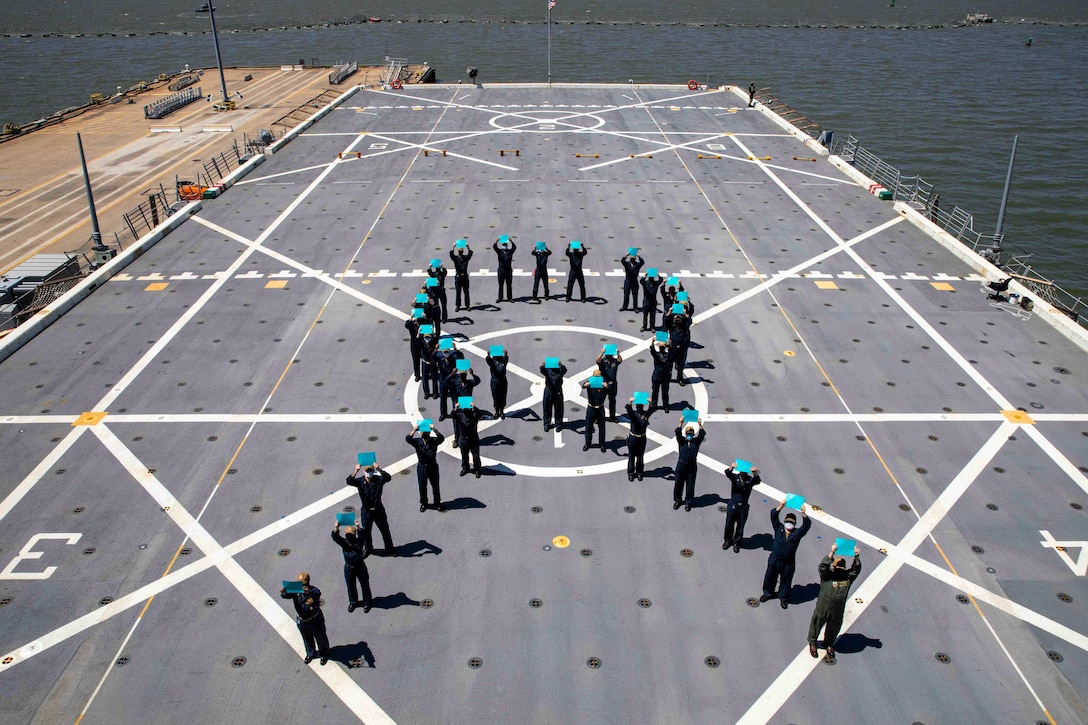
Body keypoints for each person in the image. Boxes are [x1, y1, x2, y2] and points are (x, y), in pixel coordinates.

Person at [808, 543, 862, 663]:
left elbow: (856, 570)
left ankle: (828, 644)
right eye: (837, 568)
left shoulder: (847, 577)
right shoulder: (827, 576)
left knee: (834, 626)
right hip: (824, 605)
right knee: (817, 622)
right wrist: (831, 553)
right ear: (833, 567)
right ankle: (812, 643)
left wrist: (856, 556)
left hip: (838, 607)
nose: (839, 571)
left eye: (841, 569)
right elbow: (822, 567)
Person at [760, 501, 812, 609]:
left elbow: (806, 526)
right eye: (788, 521)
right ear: (784, 521)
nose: (789, 523)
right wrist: (781, 506)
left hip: (788, 562)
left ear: (794, 524)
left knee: (786, 580)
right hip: (775, 559)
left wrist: (803, 514)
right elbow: (773, 515)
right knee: (770, 577)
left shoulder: (796, 534)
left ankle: (783, 597)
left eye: (792, 522)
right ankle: (768, 593)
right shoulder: (779, 529)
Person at [345, 460, 395, 556]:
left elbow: (388, 478)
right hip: (367, 511)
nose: (369, 473)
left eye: (371, 471)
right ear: (363, 472)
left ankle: (390, 548)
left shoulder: (378, 479)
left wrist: (379, 469)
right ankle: (368, 548)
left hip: (378, 509)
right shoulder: (360, 482)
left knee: (385, 530)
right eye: (367, 471)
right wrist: (355, 471)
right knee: (366, 531)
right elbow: (349, 481)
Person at [280, 572, 330, 665]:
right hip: (303, 621)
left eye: (303, 584)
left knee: (320, 637)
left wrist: (308, 593)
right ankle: (311, 653)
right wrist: (283, 592)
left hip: (315, 619)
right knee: (307, 638)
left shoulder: (313, 591)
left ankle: (324, 653)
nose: (302, 587)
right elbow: (286, 595)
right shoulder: (296, 591)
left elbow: (317, 593)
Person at [331, 522, 373, 613]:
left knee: (364, 584)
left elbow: (363, 535)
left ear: (354, 535)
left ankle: (367, 602)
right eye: (347, 535)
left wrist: (358, 527)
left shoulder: (359, 542)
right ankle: (353, 602)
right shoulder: (345, 543)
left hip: (360, 567)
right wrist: (336, 528)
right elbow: (335, 537)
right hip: (349, 568)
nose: (349, 537)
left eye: (351, 535)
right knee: (350, 585)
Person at [722, 462, 760, 552]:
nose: (743, 475)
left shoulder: (750, 480)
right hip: (733, 505)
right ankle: (727, 540)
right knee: (729, 524)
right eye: (742, 473)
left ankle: (737, 542)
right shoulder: (735, 478)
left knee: (740, 526)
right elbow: (727, 473)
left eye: (744, 473)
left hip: (743, 507)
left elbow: (757, 480)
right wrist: (731, 467)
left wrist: (755, 472)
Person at [406, 425, 445, 512]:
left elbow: (441, 438)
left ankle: (437, 503)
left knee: (435, 486)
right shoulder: (417, 442)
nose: (425, 434)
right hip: (422, 467)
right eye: (423, 432)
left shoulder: (433, 441)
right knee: (422, 486)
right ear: (420, 433)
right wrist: (414, 430)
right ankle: (424, 503)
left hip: (432, 467)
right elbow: (408, 439)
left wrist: (435, 429)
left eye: (426, 432)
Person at [672, 417, 705, 511]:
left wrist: (699, 424)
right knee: (678, 484)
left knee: (690, 485)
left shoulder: (696, 442)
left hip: (691, 467)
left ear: (693, 434)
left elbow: (702, 435)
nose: (689, 435)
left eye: (691, 433)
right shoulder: (682, 441)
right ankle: (678, 500)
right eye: (688, 433)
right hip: (681, 466)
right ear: (685, 434)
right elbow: (677, 432)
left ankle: (688, 502)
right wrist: (680, 423)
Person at [455, 401, 487, 477]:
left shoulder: (474, 416)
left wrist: (474, 407)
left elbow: (479, 414)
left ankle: (477, 469)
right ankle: (465, 468)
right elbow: (453, 415)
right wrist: (456, 408)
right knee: (464, 455)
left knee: (475, 456)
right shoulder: (460, 416)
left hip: (473, 438)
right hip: (463, 439)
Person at [625, 397, 653, 481]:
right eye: (638, 407)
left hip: (642, 438)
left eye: (640, 407)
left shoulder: (645, 415)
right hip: (633, 437)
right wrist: (630, 402)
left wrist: (650, 403)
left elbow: (651, 410)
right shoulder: (633, 414)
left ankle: (639, 472)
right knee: (631, 456)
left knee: (640, 457)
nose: (639, 408)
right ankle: (631, 473)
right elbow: (628, 410)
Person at [581, 372, 609, 452]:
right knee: (588, 426)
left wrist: (606, 386)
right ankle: (588, 443)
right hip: (591, 408)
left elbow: (609, 386)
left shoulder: (604, 383)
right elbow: (584, 385)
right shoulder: (591, 383)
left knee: (602, 427)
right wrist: (587, 384)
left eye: (598, 377)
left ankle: (602, 444)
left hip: (600, 408)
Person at [665, 303, 692, 386]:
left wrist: (685, 314)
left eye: (679, 319)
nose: (677, 321)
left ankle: (680, 378)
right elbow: (665, 322)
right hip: (673, 347)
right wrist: (669, 312)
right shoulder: (672, 326)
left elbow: (689, 321)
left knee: (681, 365)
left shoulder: (684, 327)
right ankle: (667, 377)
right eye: (676, 319)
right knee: (669, 364)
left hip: (682, 348)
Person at [596, 347, 623, 421]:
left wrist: (618, 353)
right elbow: (597, 360)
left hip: (613, 384)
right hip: (604, 384)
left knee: (612, 400)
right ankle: (598, 417)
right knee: (600, 401)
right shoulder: (602, 361)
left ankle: (612, 416)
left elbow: (620, 360)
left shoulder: (614, 361)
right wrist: (601, 352)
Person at [540, 359, 567, 431]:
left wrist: (561, 365)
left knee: (559, 409)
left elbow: (565, 370)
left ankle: (559, 424)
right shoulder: (548, 369)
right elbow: (542, 371)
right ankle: (546, 424)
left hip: (557, 391)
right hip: (549, 390)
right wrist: (543, 365)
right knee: (546, 408)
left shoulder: (560, 370)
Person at [449, 242, 473, 311]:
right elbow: (451, 255)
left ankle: (467, 305)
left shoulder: (465, 258)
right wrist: (453, 247)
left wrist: (468, 247)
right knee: (458, 292)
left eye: (461, 251)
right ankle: (458, 305)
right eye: (459, 251)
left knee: (466, 292)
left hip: (464, 277)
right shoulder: (456, 259)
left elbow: (470, 254)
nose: (460, 253)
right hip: (458, 277)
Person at [486, 349, 509, 419]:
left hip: (503, 382)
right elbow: (488, 361)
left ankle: (502, 411)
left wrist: (505, 354)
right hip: (494, 382)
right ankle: (496, 411)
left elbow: (506, 359)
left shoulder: (503, 361)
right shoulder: (492, 362)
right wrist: (488, 355)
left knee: (503, 397)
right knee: (495, 397)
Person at [650, 339, 672, 411]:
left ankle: (665, 405)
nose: (661, 348)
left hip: (665, 376)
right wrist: (652, 343)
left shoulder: (668, 355)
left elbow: (673, 353)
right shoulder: (657, 355)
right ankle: (654, 405)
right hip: (657, 375)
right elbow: (652, 351)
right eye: (660, 347)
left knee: (665, 392)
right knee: (655, 391)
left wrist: (671, 345)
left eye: (663, 347)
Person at [493, 236, 516, 302]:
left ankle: (510, 297)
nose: (504, 246)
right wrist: (496, 241)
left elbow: (514, 248)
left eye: (505, 245)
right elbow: (495, 247)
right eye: (503, 245)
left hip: (508, 270)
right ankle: (500, 297)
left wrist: (511, 241)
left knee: (509, 284)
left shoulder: (510, 252)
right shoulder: (499, 251)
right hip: (501, 269)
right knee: (500, 284)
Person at [404, 313, 424, 382]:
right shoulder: (412, 325)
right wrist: (411, 318)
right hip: (415, 344)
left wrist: (425, 316)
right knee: (415, 360)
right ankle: (417, 375)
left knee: (426, 358)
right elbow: (406, 325)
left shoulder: (424, 323)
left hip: (423, 344)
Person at [419, 332, 439, 400]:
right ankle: (426, 393)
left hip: (432, 363)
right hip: (425, 363)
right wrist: (418, 333)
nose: (427, 338)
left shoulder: (434, 343)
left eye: (429, 337)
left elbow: (432, 355)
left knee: (434, 379)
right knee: (424, 379)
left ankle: (435, 393)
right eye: (426, 337)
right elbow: (416, 341)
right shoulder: (422, 343)